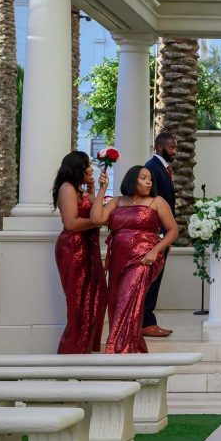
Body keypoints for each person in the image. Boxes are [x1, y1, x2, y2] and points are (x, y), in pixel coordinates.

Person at [92, 165, 178, 354]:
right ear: (132, 180)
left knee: (128, 301)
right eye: (144, 178)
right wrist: (103, 189)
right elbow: (97, 218)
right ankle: (133, 348)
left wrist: (155, 251)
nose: (149, 182)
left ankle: (119, 350)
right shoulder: (116, 201)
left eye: (150, 179)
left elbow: (173, 231)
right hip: (118, 259)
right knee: (116, 303)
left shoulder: (156, 201)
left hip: (143, 259)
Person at [52, 151, 107, 354]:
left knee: (96, 296)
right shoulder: (67, 189)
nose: (91, 169)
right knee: (79, 302)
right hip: (73, 249)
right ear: (77, 169)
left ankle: (86, 347)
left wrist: (96, 189)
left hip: (88, 248)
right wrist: (98, 221)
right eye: (87, 166)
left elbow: (93, 210)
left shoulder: (80, 190)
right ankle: (72, 352)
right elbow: (71, 223)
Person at [141, 132, 177, 338]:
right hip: (157, 235)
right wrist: (163, 234)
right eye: (171, 147)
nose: (175, 151)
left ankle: (147, 319)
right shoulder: (153, 168)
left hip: (163, 234)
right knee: (153, 279)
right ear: (159, 146)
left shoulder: (161, 168)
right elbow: (155, 203)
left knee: (156, 278)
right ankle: (146, 321)